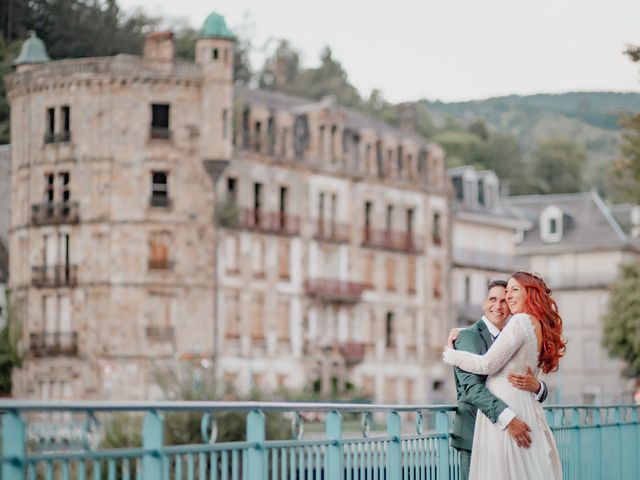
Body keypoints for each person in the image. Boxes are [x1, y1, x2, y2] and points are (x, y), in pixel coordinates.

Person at [443, 271, 566, 480]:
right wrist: (508, 419)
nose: (503, 301)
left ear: (530, 293)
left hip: (511, 418)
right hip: (478, 429)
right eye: (495, 298)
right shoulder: (470, 335)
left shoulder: (519, 323)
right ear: (484, 303)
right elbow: (472, 387)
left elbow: (488, 363)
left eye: (511, 292)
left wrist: (449, 353)